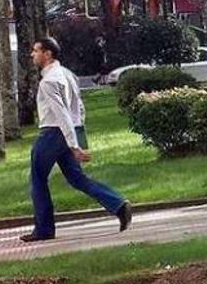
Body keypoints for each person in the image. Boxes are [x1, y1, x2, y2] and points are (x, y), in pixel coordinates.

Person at [21, 37, 132, 242]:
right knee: (77, 179)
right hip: (67, 132)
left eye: (36, 51)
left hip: (52, 133)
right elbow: (78, 108)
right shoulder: (68, 74)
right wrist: (77, 137)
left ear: (48, 54)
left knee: (37, 179)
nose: (32, 54)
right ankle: (119, 205)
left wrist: (74, 145)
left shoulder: (49, 81)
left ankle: (44, 230)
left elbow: (62, 113)